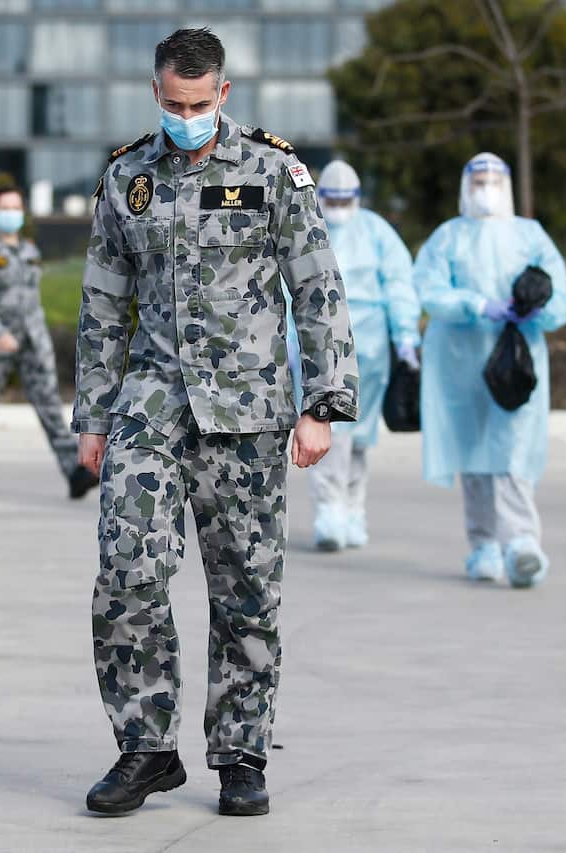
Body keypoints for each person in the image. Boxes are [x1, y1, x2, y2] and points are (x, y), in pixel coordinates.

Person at [73, 28, 357, 818]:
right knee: (126, 571)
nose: (186, 116)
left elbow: (318, 288)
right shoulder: (127, 177)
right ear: (155, 93)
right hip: (152, 404)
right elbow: (102, 305)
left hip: (250, 412)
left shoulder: (273, 172)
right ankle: (147, 746)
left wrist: (322, 404)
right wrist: (94, 413)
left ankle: (240, 753)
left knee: (246, 593)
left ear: (224, 95)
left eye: (199, 104)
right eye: (172, 103)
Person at [411, 152, 566, 588]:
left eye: (494, 180)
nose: (486, 188)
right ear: (467, 187)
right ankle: (483, 544)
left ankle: (522, 542)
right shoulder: (448, 237)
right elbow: (429, 289)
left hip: (516, 360)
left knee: (513, 448)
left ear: (508, 185)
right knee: (474, 455)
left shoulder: (531, 235)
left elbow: (561, 297)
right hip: (460, 362)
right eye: (478, 180)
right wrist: (477, 305)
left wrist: (534, 309)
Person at [0, 186, 100, 500]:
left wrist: (40, 338)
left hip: (33, 341)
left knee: (49, 406)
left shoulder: (30, 252)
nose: (12, 214)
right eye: (5, 208)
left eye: (17, 207)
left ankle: (74, 472)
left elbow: (33, 301)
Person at [308, 160, 420, 552]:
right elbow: (288, 288)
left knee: (358, 437)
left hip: (370, 350)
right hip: (322, 348)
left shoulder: (376, 232)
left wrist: (405, 336)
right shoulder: (307, 226)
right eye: (332, 199)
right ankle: (330, 510)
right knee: (332, 430)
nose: (338, 206)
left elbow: (399, 283)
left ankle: (354, 510)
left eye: (345, 199)